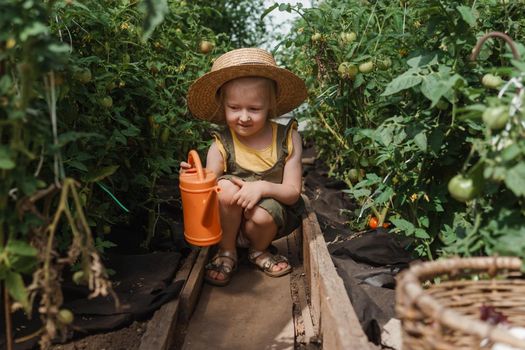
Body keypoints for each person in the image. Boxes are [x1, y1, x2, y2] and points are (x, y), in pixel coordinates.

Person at [181, 48, 307, 286]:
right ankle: (226, 251)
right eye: (234, 108)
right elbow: (208, 191)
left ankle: (258, 251)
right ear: (223, 106)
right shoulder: (221, 144)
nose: (244, 117)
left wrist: (261, 188)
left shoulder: (288, 138)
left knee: (262, 214)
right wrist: (194, 177)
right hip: (227, 221)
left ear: (270, 106)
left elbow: (292, 193)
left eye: (255, 109)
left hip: (266, 221)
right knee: (224, 188)